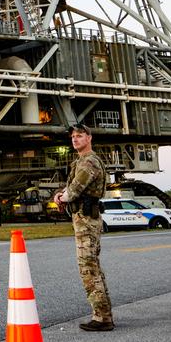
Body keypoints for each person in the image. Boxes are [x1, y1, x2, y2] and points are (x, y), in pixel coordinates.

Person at [53, 122, 114, 331]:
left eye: (80, 135)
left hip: (86, 219)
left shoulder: (89, 162)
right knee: (92, 265)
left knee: (88, 267)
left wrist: (61, 197)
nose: (75, 139)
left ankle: (102, 318)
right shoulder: (81, 161)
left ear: (89, 138)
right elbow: (71, 187)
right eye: (73, 136)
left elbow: (75, 190)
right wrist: (62, 194)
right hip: (82, 217)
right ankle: (104, 315)